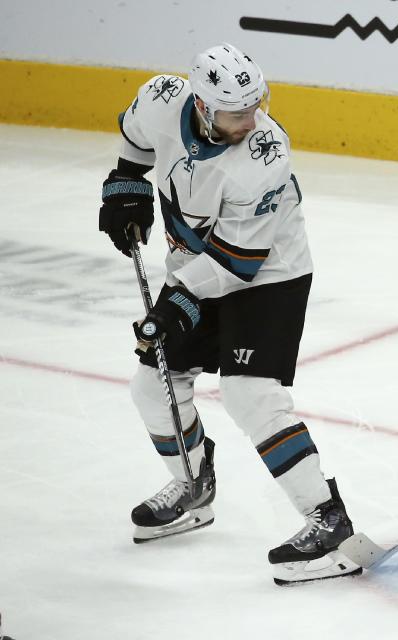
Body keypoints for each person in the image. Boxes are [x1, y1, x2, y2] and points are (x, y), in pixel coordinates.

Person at [97, 43, 360, 585]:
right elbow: (135, 140)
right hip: (197, 262)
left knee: (250, 393)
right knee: (152, 386)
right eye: (236, 112)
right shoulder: (162, 97)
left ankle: (328, 519)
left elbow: (239, 261)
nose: (251, 119)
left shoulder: (265, 154)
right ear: (201, 105)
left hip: (269, 274)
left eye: (255, 105)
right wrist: (126, 184)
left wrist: (177, 304)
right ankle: (193, 486)